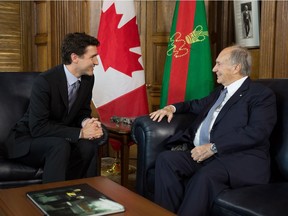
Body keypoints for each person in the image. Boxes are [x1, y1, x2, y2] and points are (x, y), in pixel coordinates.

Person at [150, 45, 277, 216]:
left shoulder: (260, 95)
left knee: (205, 176)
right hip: (206, 155)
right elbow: (195, 105)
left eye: (218, 64)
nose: (214, 69)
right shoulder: (220, 93)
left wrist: (214, 147)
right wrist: (171, 108)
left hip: (239, 160)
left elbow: (257, 132)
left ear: (236, 67)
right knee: (167, 160)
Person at [5, 32, 105, 183]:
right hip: (27, 140)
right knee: (60, 146)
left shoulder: (87, 79)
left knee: (88, 146)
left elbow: (82, 111)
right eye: (92, 57)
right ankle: (53, 199)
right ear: (75, 58)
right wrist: (80, 132)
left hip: (58, 137)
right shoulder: (45, 81)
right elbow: (38, 127)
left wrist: (87, 123)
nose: (97, 62)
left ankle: (80, 194)